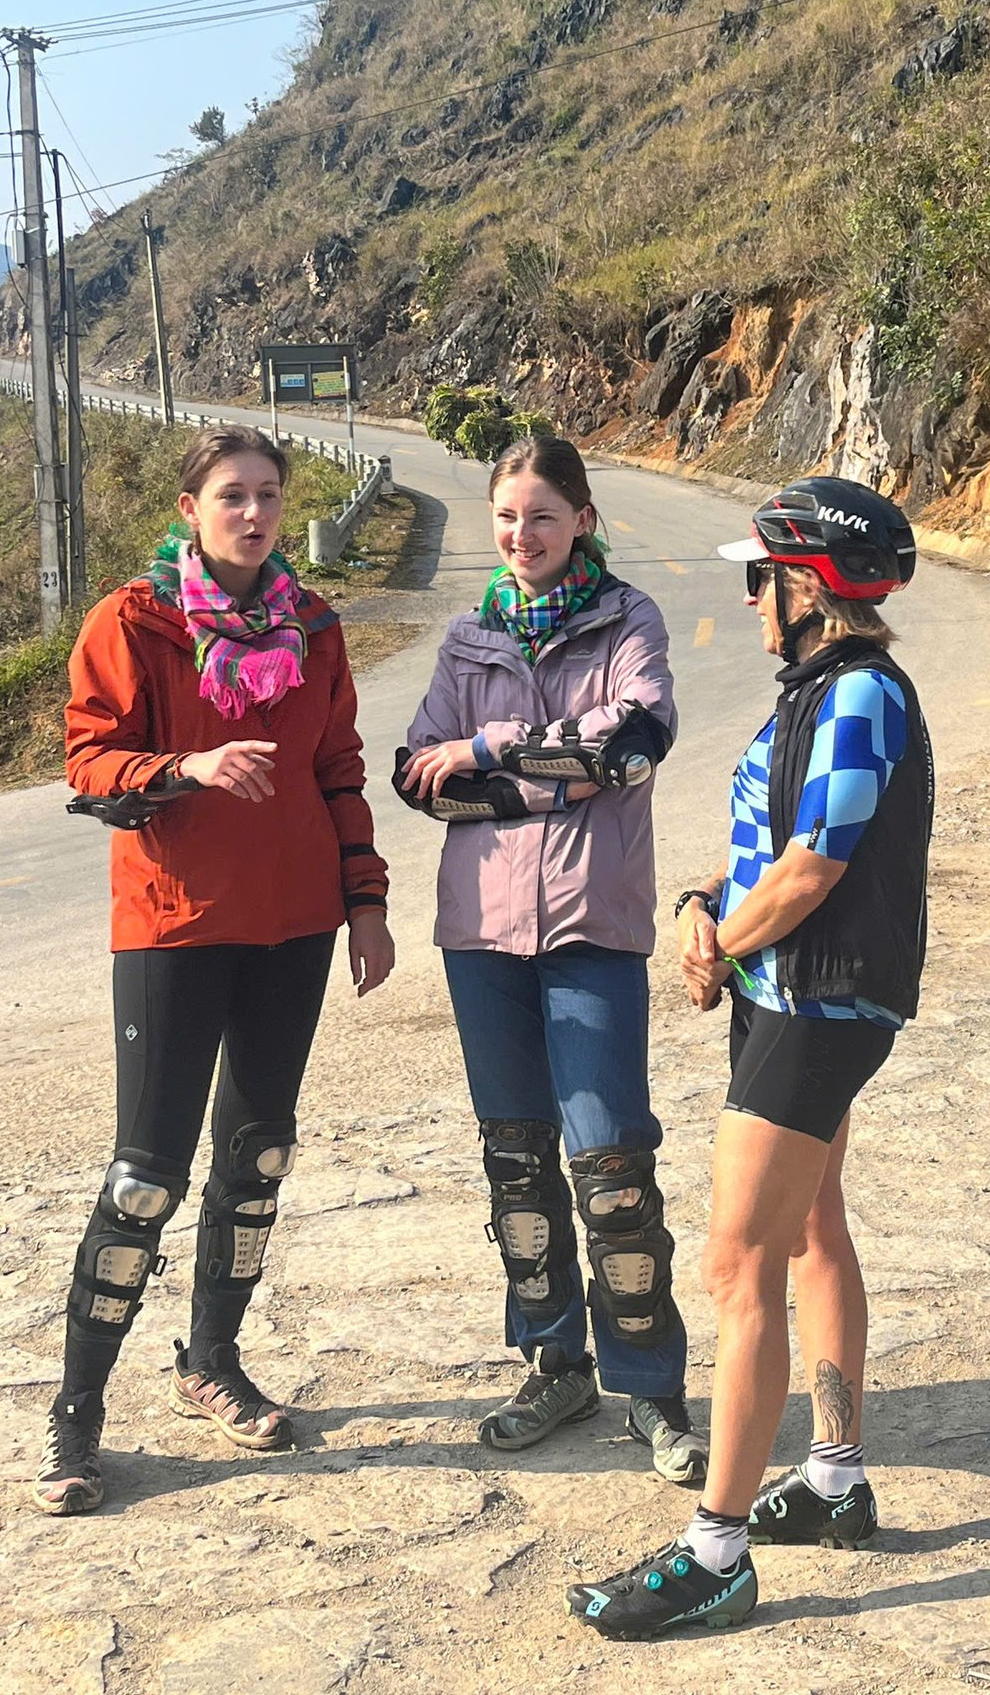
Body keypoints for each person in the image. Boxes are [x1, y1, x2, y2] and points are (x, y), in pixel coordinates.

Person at [567, 476, 933, 1639]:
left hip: (815, 1007)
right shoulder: (821, 691)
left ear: (806, 591)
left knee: (737, 1269)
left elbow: (814, 868)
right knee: (814, 1230)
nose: (749, 596)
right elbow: (765, 843)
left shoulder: (862, 695)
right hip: (791, 993)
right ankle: (833, 1481)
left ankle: (714, 1550)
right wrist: (697, 905)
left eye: (758, 578)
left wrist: (720, 944)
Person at [32, 424, 394, 1516]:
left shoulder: (316, 628)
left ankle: (212, 1363)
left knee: (258, 1158)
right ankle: (75, 1414)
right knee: (145, 1176)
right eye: (231, 495)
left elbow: (338, 768)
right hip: (174, 927)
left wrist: (366, 904)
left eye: (269, 495)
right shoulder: (132, 623)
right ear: (190, 508)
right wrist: (183, 767)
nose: (253, 512)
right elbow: (88, 761)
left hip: (296, 928)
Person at [396, 435, 705, 1487]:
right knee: (517, 1165)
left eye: (539, 516)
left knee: (611, 1165)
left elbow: (636, 739)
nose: (520, 535)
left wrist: (486, 754)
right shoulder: (467, 637)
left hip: (589, 929)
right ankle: (552, 1361)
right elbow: (411, 777)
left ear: (580, 518)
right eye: (505, 518)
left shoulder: (629, 622)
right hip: (479, 935)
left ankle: (652, 1387)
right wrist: (562, 774)